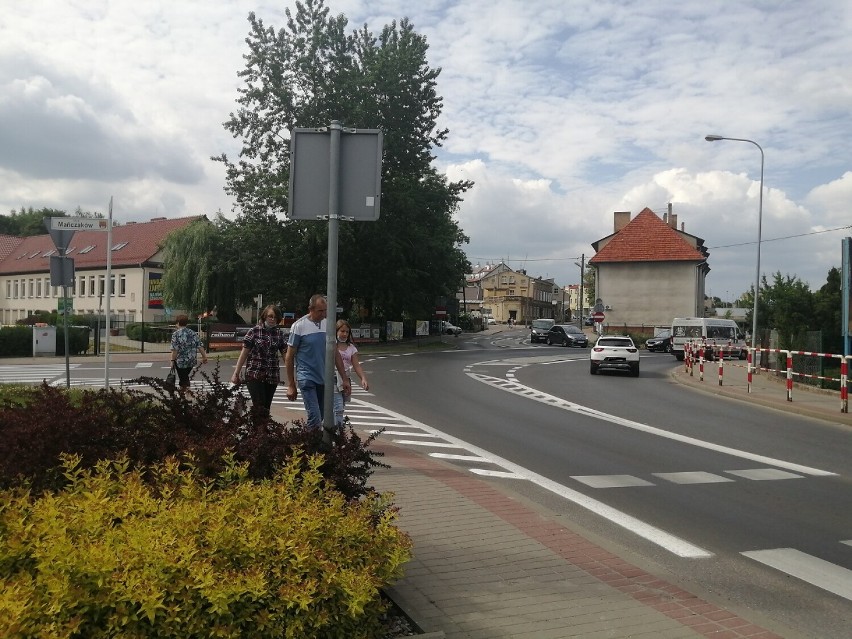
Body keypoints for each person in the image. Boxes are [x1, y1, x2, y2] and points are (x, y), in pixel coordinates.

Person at [285, 294, 350, 429]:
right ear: (311, 309)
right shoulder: (299, 326)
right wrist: (291, 384)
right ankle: (311, 448)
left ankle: (306, 443)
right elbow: (289, 356)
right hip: (306, 377)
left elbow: (335, 352)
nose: (324, 314)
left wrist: (344, 378)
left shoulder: (328, 325)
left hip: (324, 378)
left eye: (325, 310)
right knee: (315, 417)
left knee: (320, 415)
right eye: (320, 311)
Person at [230, 305, 288, 416]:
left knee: (266, 407)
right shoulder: (254, 332)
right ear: (265, 316)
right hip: (255, 374)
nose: (272, 319)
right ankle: (257, 431)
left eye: (275, 317)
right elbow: (244, 353)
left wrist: (291, 377)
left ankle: (261, 431)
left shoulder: (279, 334)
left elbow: (285, 355)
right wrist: (236, 373)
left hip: (272, 375)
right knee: (259, 405)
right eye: (270, 316)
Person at [332, 319, 369, 427]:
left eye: (347, 332)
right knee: (338, 407)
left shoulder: (351, 348)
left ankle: (336, 430)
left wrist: (363, 378)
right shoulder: (332, 345)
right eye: (342, 331)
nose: (344, 334)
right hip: (334, 378)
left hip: (346, 380)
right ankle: (337, 433)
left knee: (341, 407)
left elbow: (356, 365)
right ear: (336, 331)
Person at [170, 314, 208, 395]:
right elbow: (200, 345)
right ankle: (183, 393)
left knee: (183, 378)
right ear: (186, 323)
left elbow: (175, 350)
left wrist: (172, 360)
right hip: (191, 360)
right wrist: (204, 356)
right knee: (184, 376)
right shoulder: (193, 333)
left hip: (180, 361)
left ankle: (186, 394)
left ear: (177, 323)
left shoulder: (176, 334)